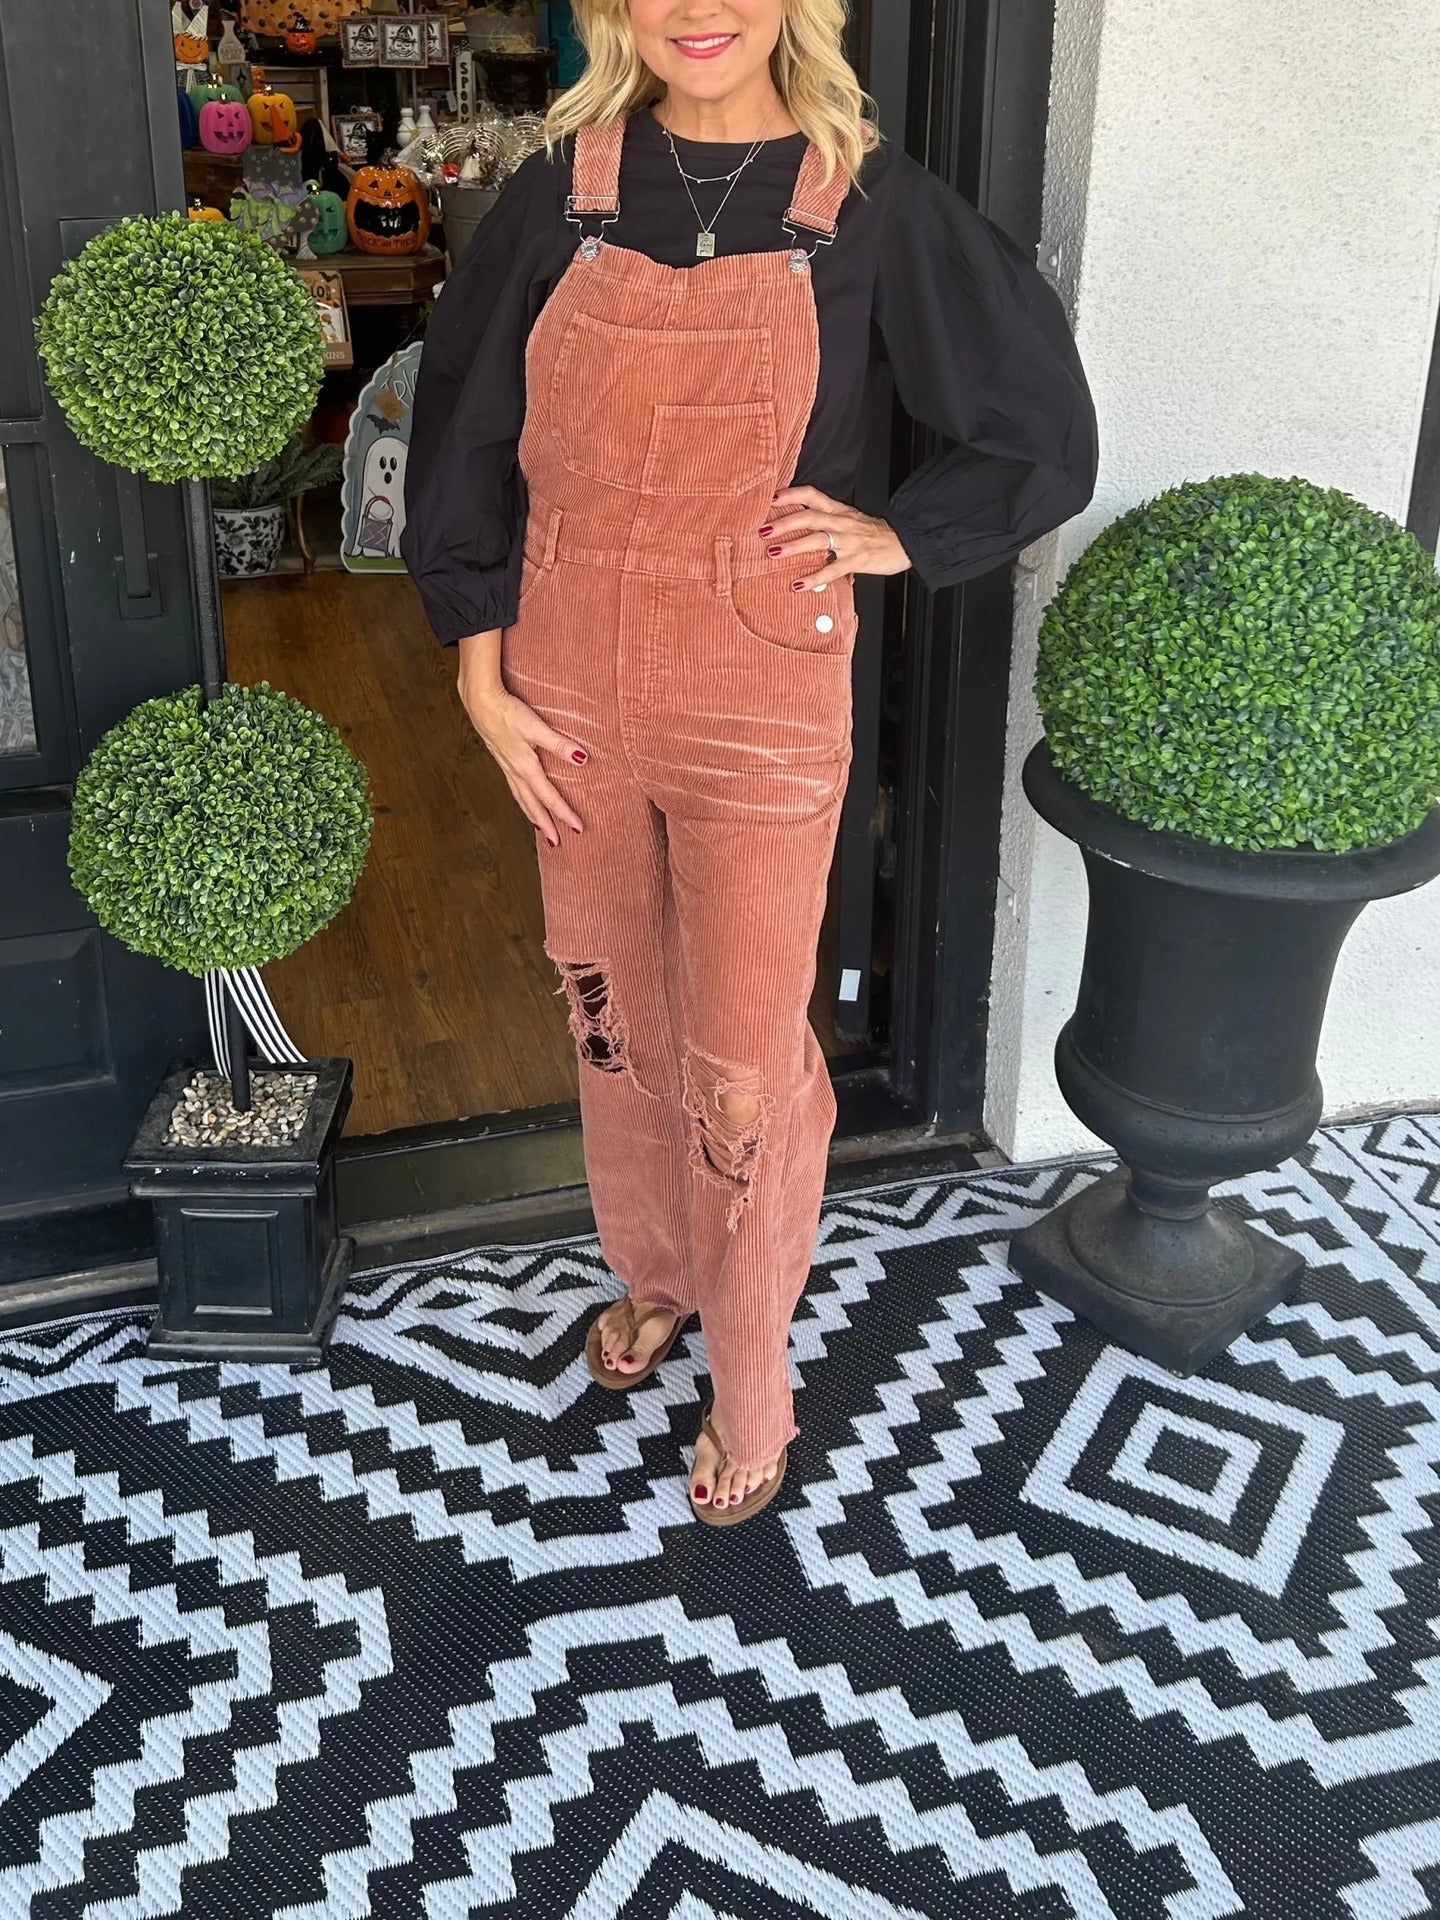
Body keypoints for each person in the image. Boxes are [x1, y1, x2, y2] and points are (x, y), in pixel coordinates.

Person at [402, 0, 1099, 1527]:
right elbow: (464, 421)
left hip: (760, 690)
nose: (696, 6)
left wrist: (901, 533)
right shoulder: (561, 189)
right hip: (568, 675)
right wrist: (477, 667)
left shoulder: (869, 200)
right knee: (608, 1005)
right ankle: (657, 1269)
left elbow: (1039, 429)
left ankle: (754, 1372)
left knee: (741, 1049)